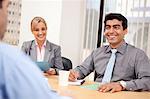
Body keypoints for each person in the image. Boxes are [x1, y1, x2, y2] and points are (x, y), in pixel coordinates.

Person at [0, 0, 71, 99]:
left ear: (46, 29)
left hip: (50, 84)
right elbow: (20, 70)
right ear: (32, 31)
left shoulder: (55, 48)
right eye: (36, 30)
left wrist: (54, 71)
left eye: (43, 29)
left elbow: (61, 70)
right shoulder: (26, 46)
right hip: (31, 82)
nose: (40, 33)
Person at [69, 13, 150, 93]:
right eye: (108, 28)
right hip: (97, 93)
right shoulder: (97, 52)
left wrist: (122, 85)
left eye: (116, 27)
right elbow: (82, 69)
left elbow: (147, 80)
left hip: (120, 95)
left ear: (125, 31)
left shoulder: (138, 54)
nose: (111, 31)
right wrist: (74, 74)